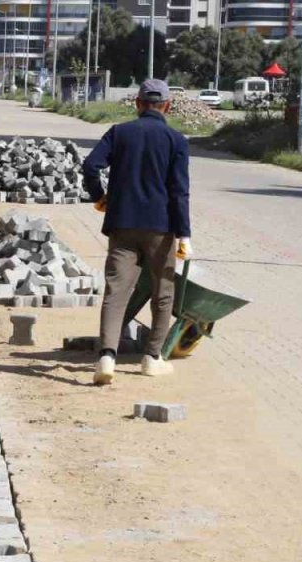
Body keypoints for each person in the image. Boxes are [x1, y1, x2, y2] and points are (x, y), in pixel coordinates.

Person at [81, 79, 192, 386]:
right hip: (161, 227)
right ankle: (152, 358)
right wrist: (184, 235)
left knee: (116, 291)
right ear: (167, 105)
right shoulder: (176, 140)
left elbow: (91, 165)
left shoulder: (120, 133)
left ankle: (106, 356)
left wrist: (99, 196)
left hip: (122, 223)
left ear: (138, 104)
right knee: (163, 292)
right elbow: (179, 192)